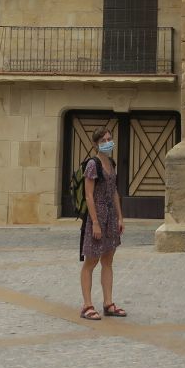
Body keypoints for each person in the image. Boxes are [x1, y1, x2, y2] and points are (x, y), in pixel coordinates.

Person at [78, 126, 125, 320]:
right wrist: (95, 222)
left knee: (108, 260)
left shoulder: (111, 163)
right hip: (97, 216)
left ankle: (108, 303)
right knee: (91, 261)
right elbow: (89, 195)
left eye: (109, 139)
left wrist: (120, 217)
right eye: (103, 140)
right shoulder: (93, 164)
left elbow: (114, 191)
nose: (107, 143)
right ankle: (87, 305)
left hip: (111, 217)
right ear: (96, 144)